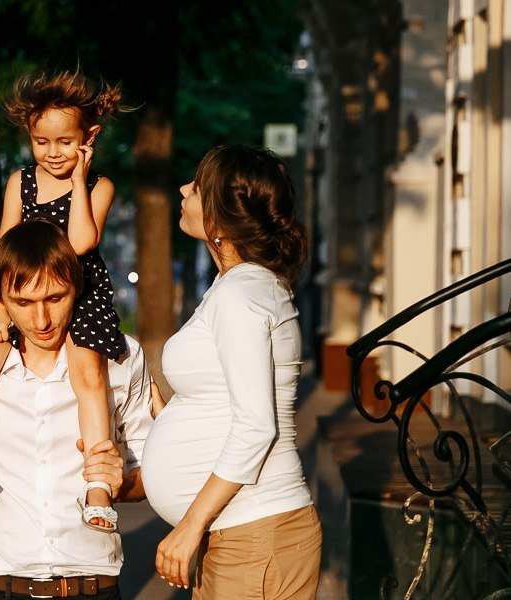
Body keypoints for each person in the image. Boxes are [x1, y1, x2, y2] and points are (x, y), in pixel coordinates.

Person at [0, 220, 154, 600]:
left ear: (76, 288)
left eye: (55, 298)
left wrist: (122, 482)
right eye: (23, 303)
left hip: (92, 586)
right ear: (0, 298)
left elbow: (152, 473)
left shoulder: (121, 358)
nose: (41, 321)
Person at [0, 70, 129, 532]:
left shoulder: (100, 186)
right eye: (42, 142)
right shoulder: (20, 182)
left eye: (65, 142)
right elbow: (5, 242)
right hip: (16, 289)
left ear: (88, 138)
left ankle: (97, 489)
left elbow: (80, 241)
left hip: (76, 293)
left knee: (88, 374)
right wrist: (0, 306)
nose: (53, 152)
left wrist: (79, 180)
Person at [141, 145, 322, 599]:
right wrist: (177, 417)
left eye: (198, 187)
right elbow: (231, 399)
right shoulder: (238, 285)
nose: (184, 189)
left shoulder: (241, 294)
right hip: (241, 535)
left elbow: (257, 426)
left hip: (253, 535)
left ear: (220, 221)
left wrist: (189, 526)